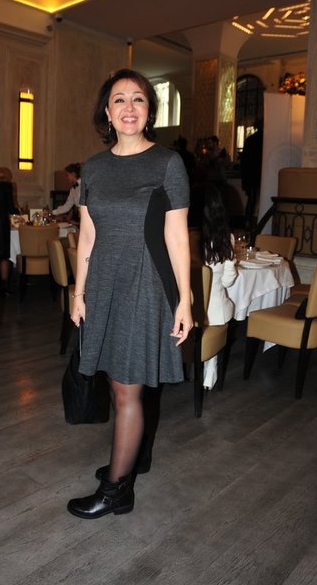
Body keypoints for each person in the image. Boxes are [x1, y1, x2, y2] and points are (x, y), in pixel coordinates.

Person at [67, 68, 192, 519]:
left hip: (144, 284)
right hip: (103, 284)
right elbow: (88, 235)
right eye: (119, 99)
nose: (128, 107)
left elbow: (177, 237)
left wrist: (185, 300)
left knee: (126, 388)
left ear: (149, 110)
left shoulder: (167, 163)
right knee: (115, 381)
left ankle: (117, 489)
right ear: (107, 111)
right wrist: (79, 292)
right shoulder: (94, 168)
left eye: (138, 98)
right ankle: (127, 461)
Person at [199, 183, 237, 389]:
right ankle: (211, 363)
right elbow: (228, 281)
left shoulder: (186, 237)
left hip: (187, 310)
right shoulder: (225, 238)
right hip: (214, 313)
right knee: (224, 301)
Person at [240, 128, 263, 229]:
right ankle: (254, 221)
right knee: (255, 198)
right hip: (257, 173)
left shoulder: (250, 140)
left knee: (252, 199)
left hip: (250, 174)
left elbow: (244, 160)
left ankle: (247, 221)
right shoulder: (263, 140)